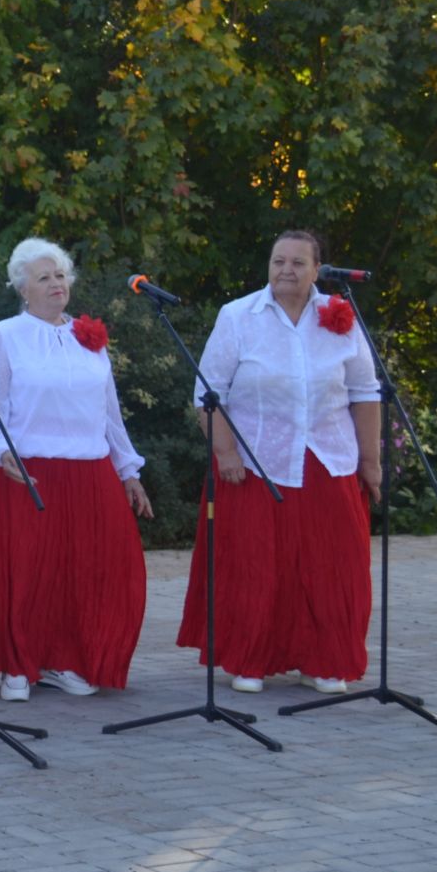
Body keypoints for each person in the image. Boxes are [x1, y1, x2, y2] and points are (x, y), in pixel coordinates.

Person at [178, 229, 381, 693]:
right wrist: (225, 451)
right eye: (278, 261)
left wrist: (370, 462)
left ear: (317, 270)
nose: (285, 270)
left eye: (297, 263)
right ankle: (249, 660)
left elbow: (365, 393)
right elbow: (207, 394)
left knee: (332, 566)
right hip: (254, 462)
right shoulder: (238, 316)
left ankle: (324, 661)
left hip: (328, 460)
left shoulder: (340, 316)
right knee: (255, 566)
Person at [0, 238, 154, 702]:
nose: (56, 284)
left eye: (61, 275)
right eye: (44, 277)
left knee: (92, 570)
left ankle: (67, 659)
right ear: (22, 289)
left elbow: (109, 410)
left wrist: (128, 470)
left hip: (90, 469)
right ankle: (19, 665)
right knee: (29, 572)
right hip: (28, 470)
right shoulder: (5, 334)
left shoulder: (89, 336)